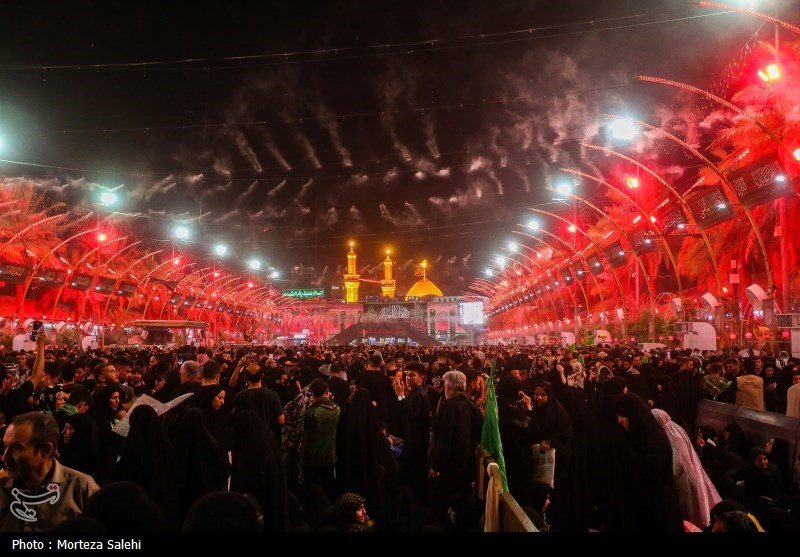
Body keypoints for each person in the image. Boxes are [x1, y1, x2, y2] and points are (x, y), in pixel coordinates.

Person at [0, 412, 100, 531]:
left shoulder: (82, 488)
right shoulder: (2, 488)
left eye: (16, 448)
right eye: (5, 446)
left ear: (46, 450)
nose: (4, 458)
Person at [611, 393, 683, 532]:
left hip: (656, 510)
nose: (619, 421)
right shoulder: (634, 435)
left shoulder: (655, 440)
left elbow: (650, 474)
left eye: (622, 416)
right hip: (641, 509)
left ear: (634, 415)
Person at [428, 370, 482, 524]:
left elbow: (444, 439)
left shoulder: (448, 407)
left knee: (443, 505)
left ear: (448, 387)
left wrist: (436, 466)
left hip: (449, 468)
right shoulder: (473, 406)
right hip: (467, 466)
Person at [651, 408, 721, 528]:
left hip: (683, 479)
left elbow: (678, 462)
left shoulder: (673, 434)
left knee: (687, 510)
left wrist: (667, 476)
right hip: (683, 475)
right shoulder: (673, 428)